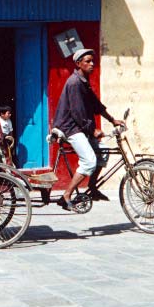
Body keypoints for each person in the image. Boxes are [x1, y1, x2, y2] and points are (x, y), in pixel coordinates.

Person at [52, 48, 125, 211]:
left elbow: (95, 104)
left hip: (80, 127)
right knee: (89, 161)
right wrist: (92, 131)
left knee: (103, 151)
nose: (92, 64)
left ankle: (92, 188)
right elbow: (78, 112)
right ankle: (66, 196)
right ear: (78, 64)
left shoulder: (84, 81)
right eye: (88, 61)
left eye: (93, 61)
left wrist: (112, 120)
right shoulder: (75, 83)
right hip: (70, 128)